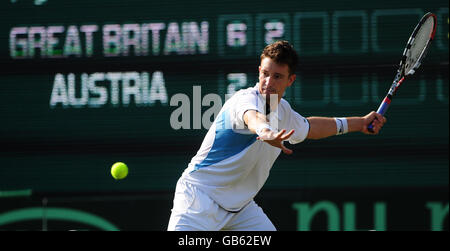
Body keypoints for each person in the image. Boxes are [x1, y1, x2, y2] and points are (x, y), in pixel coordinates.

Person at [167, 40, 386, 231]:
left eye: (277, 77)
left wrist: (359, 123)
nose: (268, 82)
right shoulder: (243, 100)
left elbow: (310, 128)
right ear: (259, 71)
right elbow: (253, 119)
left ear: (291, 80)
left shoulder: (284, 112)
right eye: (265, 74)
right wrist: (266, 132)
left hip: (240, 209)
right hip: (198, 199)